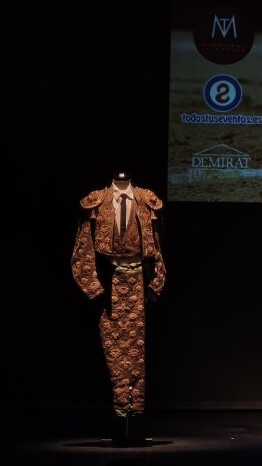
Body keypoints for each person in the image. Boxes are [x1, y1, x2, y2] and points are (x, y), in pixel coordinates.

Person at [70, 173, 167, 427]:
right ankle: (121, 405)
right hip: (109, 280)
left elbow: (157, 246)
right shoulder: (97, 201)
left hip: (137, 281)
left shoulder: (146, 200)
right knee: (113, 348)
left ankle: (135, 409)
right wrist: (92, 285)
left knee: (137, 348)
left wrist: (156, 282)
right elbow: (83, 247)